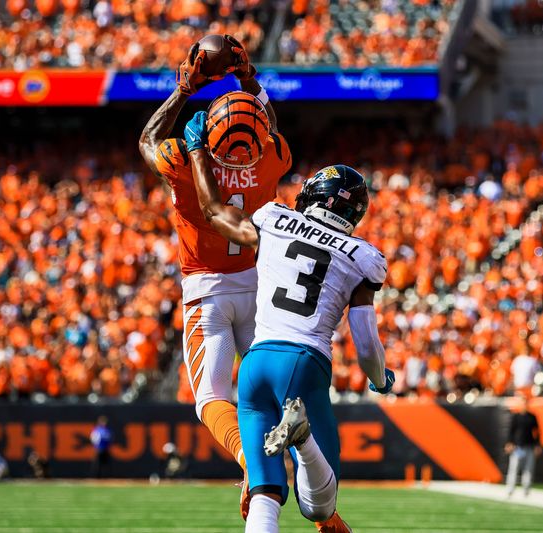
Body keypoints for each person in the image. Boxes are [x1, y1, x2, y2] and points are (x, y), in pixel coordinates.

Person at [185, 126, 394, 533]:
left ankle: (296, 440)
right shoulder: (363, 256)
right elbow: (366, 341)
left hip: (256, 365)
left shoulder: (272, 219)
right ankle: (303, 439)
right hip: (303, 362)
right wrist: (380, 379)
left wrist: (196, 149)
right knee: (320, 507)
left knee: (264, 493)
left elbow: (212, 210)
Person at [138, 35, 291, 519]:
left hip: (207, 289)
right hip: (258, 284)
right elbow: (268, 124)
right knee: (268, 391)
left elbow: (146, 139)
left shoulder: (185, 161)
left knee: (211, 399)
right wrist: (248, 79)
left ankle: (253, 462)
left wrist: (185, 89)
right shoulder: (274, 156)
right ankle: (320, 501)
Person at [504, 395, 541, 497]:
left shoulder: (532, 417)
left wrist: (537, 445)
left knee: (528, 469)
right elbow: (511, 431)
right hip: (517, 447)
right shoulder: (516, 417)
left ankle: (526, 490)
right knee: (514, 469)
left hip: (529, 446)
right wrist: (509, 443)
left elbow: (537, 432)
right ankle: (510, 490)